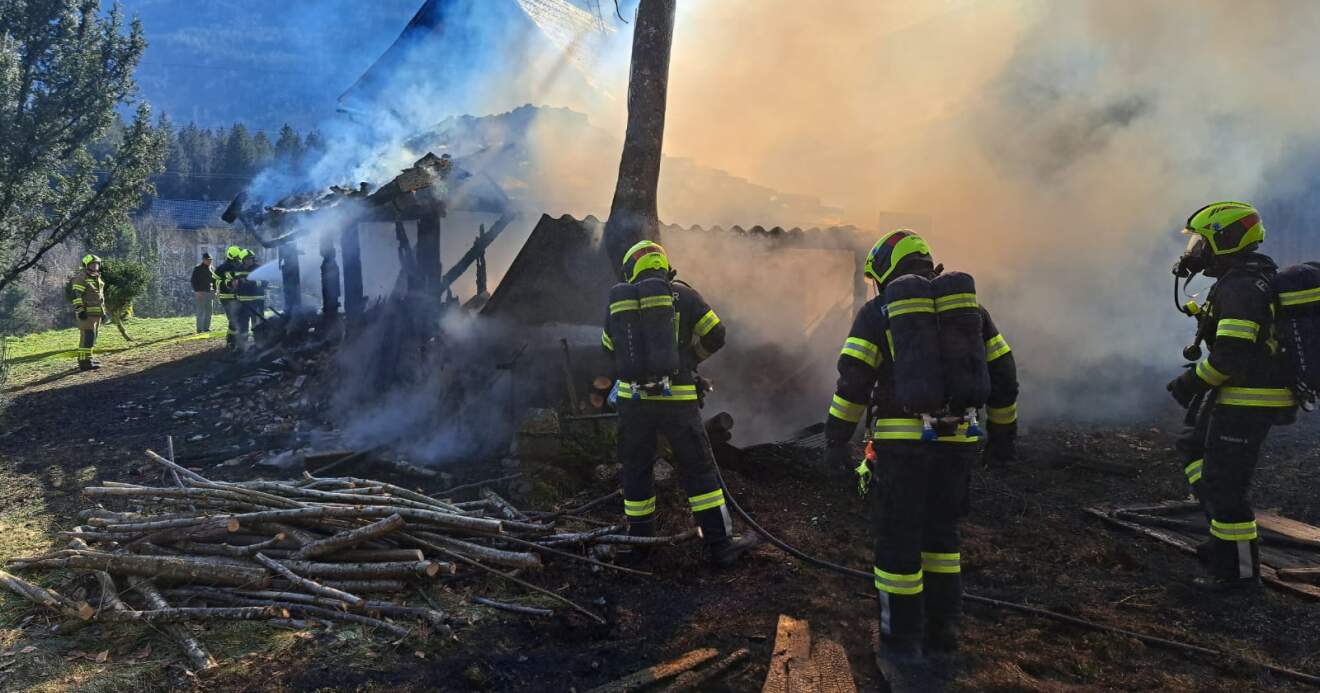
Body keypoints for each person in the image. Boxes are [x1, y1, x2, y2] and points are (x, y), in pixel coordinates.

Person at [822, 230, 1018, 682]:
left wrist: (836, 438)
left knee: (897, 545)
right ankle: (942, 639)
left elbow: (853, 383)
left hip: (901, 450)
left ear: (885, 271)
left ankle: (901, 647)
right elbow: (1004, 376)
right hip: (958, 447)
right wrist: (1003, 435)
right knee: (943, 541)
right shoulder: (971, 314)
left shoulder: (878, 312)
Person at [601, 240, 760, 568]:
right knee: (699, 471)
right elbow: (717, 334)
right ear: (664, 266)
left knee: (636, 471)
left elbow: (607, 352)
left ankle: (639, 544)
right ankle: (719, 544)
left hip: (633, 403)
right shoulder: (685, 296)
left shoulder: (620, 303)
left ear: (631, 270)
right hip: (678, 400)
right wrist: (689, 361)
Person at [1168, 202, 1296, 591]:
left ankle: (1240, 576)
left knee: (1227, 485)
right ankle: (1222, 541)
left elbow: (1231, 358)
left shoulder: (1242, 286)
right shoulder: (1241, 279)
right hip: (1237, 395)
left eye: (1201, 243)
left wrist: (1192, 384)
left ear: (1226, 239)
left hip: (1249, 400)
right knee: (1193, 449)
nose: (1195, 251)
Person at [70, 254, 106, 371]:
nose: (95, 266)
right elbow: (76, 295)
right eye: (92, 264)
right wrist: (80, 310)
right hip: (86, 314)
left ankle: (88, 359)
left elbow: (99, 297)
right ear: (87, 265)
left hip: (96, 314)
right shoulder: (82, 277)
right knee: (87, 337)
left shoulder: (97, 278)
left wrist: (103, 312)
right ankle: (83, 362)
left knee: (93, 338)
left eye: (97, 264)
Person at [234, 249, 266, 352]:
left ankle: (260, 344)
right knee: (243, 324)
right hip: (243, 302)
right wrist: (235, 283)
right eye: (247, 259)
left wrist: (250, 282)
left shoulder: (259, 268)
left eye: (251, 259)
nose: (250, 261)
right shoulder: (238, 269)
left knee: (258, 324)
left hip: (257, 301)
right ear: (243, 260)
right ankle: (243, 345)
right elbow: (234, 283)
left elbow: (264, 283)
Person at [214, 246, 244, 351]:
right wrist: (218, 289)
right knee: (233, 318)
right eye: (236, 258)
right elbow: (215, 281)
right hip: (226, 297)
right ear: (231, 257)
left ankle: (236, 338)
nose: (238, 260)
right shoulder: (222, 268)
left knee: (238, 318)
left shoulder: (240, 266)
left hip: (237, 296)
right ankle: (231, 340)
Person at [190, 252, 218, 333]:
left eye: (210, 260)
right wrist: (197, 291)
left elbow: (215, 280)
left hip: (210, 292)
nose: (209, 261)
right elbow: (193, 281)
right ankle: (199, 329)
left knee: (209, 311)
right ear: (203, 260)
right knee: (200, 311)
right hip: (201, 293)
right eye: (208, 260)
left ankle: (206, 328)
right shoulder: (197, 268)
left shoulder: (212, 268)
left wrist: (215, 290)